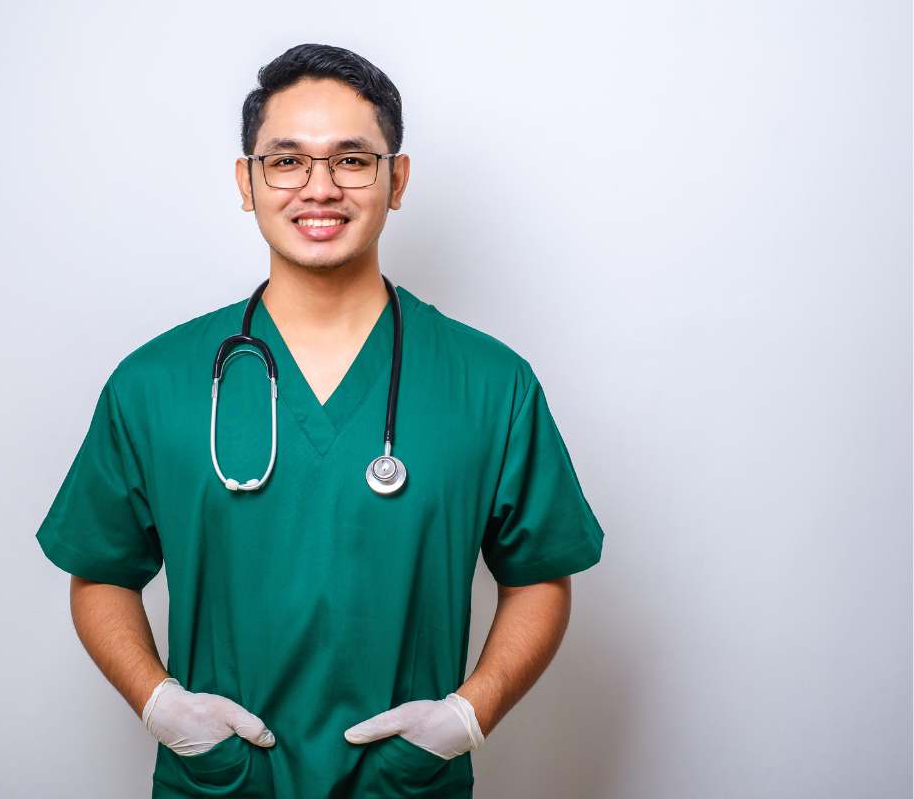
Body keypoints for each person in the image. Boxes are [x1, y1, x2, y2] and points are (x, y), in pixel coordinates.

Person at [35, 42, 605, 798]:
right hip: (226, 784)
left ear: (396, 179)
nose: (319, 188)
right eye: (286, 161)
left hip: (400, 786)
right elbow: (100, 570)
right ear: (247, 181)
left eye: (352, 160)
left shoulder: (490, 384)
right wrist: (161, 705)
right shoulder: (156, 383)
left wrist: (470, 716)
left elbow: (541, 575)